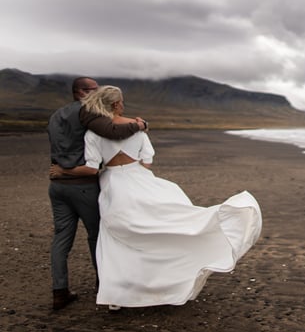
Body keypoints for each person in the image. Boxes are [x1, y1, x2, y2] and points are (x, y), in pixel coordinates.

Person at [51, 86, 262, 310]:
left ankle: (118, 295)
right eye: (121, 102)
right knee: (161, 227)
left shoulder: (93, 134)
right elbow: (147, 161)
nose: (123, 105)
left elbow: (93, 167)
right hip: (139, 178)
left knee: (119, 238)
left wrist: (65, 172)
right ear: (115, 105)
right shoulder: (138, 129)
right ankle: (161, 282)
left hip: (113, 185)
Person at [47, 77, 146, 310]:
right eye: (95, 90)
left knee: (61, 238)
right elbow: (112, 131)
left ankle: (59, 291)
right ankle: (104, 285)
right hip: (83, 184)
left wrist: (61, 170)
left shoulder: (55, 116)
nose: (98, 95)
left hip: (57, 185)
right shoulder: (88, 111)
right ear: (83, 92)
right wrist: (140, 125)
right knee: (97, 236)